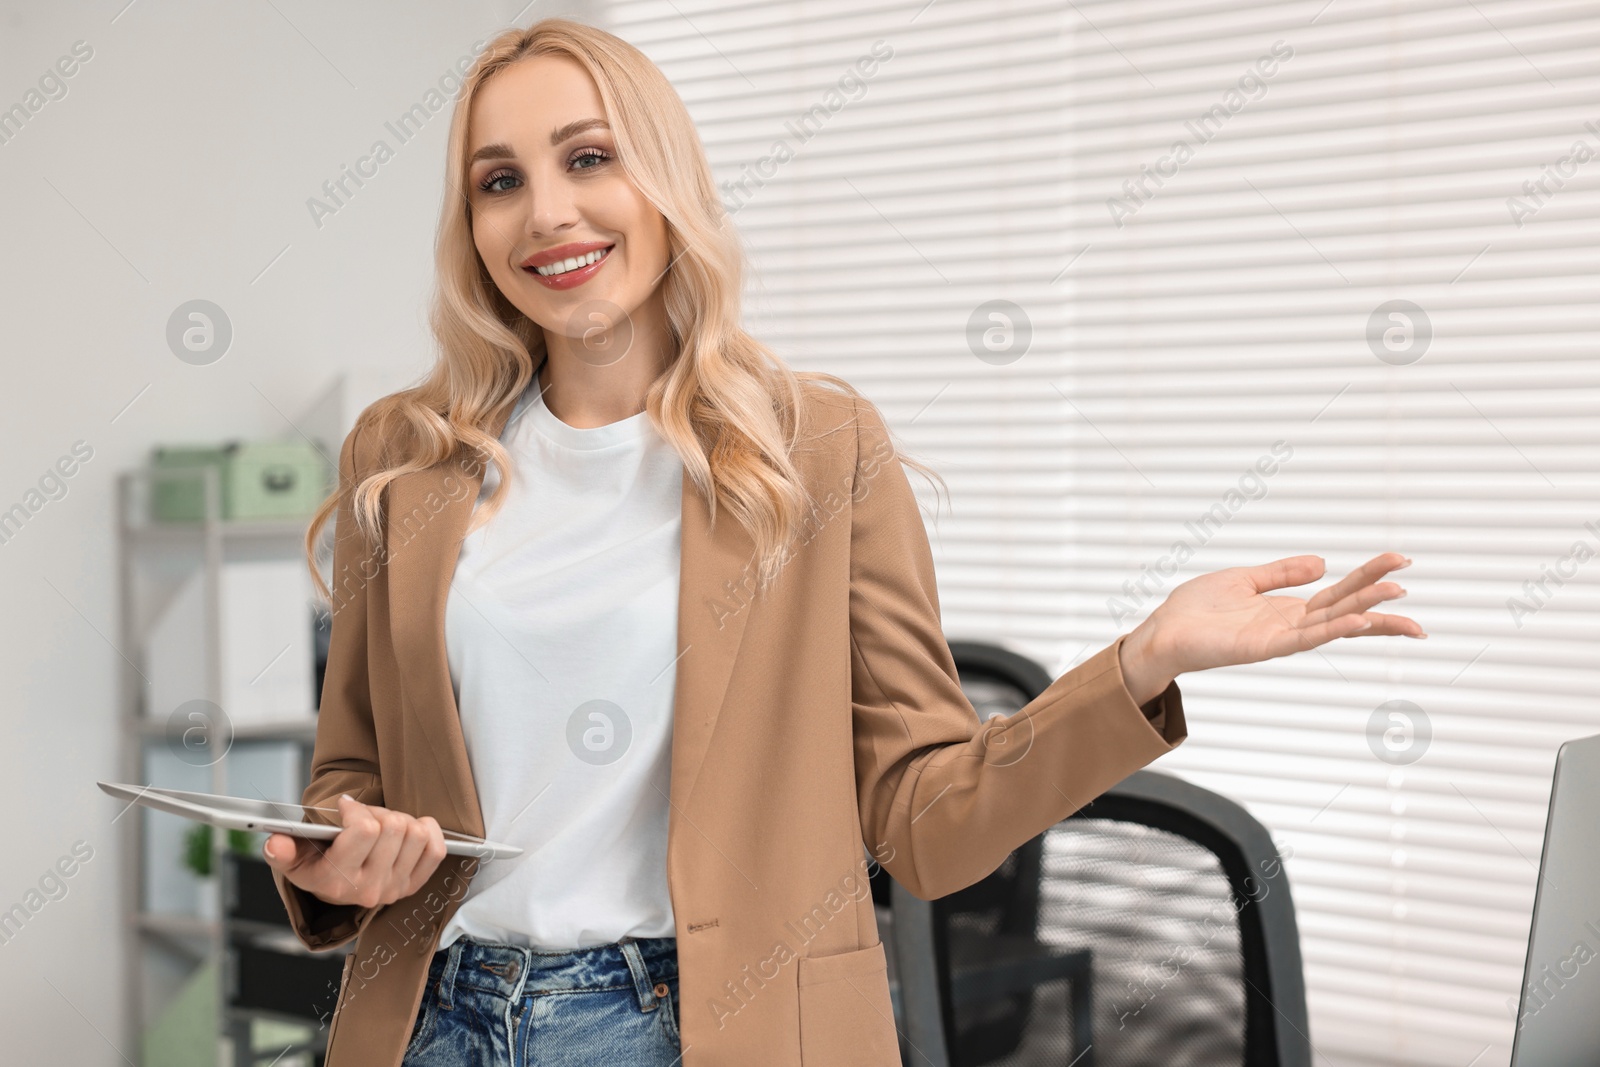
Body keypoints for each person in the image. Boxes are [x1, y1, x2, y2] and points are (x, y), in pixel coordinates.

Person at [261, 17, 1424, 1067]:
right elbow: (353, 774)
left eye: (589, 157)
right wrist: (341, 854)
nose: (548, 211)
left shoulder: (815, 450)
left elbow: (924, 817)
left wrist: (1140, 662)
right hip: (430, 1021)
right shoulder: (404, 457)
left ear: (667, 180)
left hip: (694, 1026)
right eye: (498, 180)